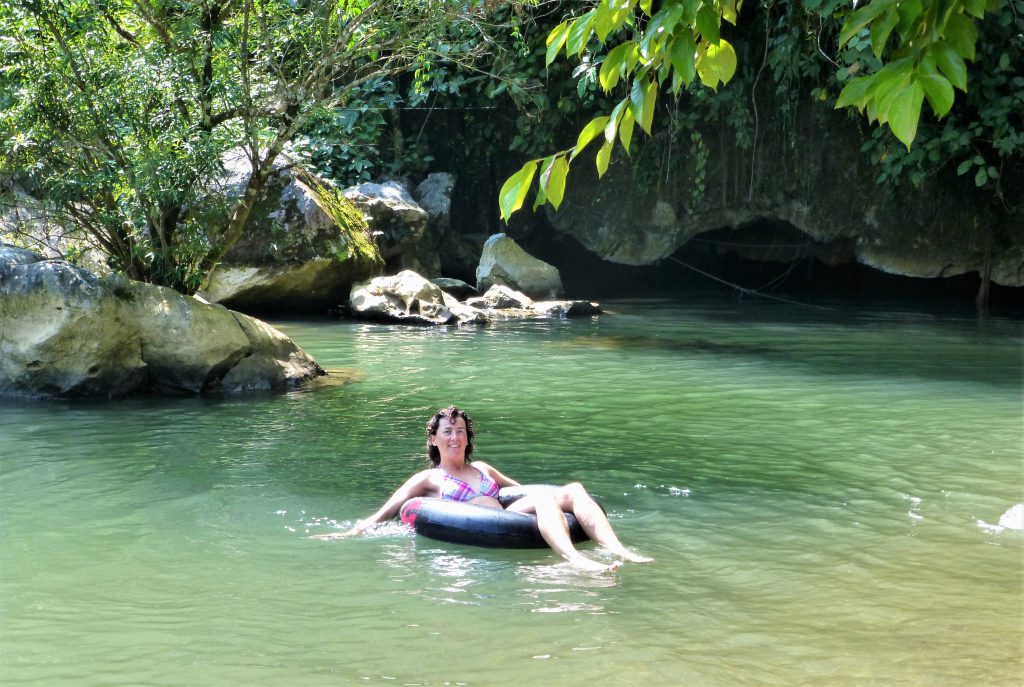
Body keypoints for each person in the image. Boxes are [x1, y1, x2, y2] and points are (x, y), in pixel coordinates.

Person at [316, 405, 652, 572]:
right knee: (542, 499)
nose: (455, 437)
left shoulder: (483, 468)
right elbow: (386, 512)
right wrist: (351, 532)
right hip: (475, 520)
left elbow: (522, 493)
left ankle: (618, 550)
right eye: (447, 431)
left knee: (573, 488)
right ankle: (576, 561)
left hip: (506, 516)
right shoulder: (428, 479)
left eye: (460, 430)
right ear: (434, 439)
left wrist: (558, 505)